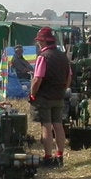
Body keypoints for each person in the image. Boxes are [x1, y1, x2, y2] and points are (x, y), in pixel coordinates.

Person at [30, 27, 72, 168]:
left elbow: (37, 79)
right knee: (58, 126)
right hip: (59, 96)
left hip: (45, 96)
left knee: (46, 127)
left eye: (38, 41)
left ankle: (48, 158)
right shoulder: (63, 56)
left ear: (43, 41)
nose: (38, 44)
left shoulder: (43, 57)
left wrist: (32, 94)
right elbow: (69, 76)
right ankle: (59, 157)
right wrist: (63, 89)